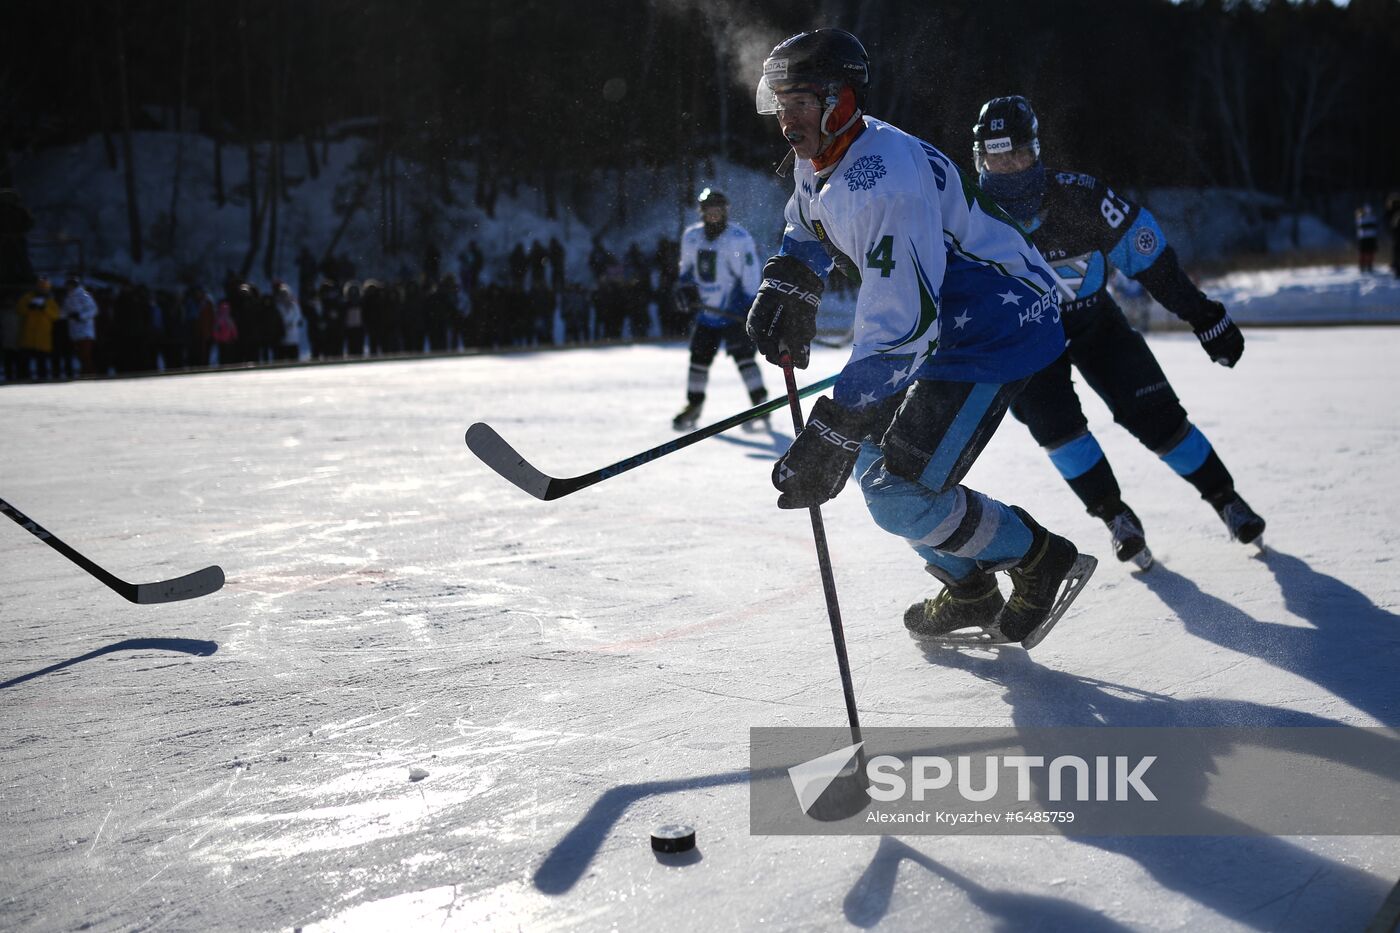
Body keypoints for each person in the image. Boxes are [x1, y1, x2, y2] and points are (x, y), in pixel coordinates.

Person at [745, 30, 1093, 645]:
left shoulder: (885, 182)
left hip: (995, 327)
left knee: (896, 495)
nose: (785, 119)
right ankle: (971, 589)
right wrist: (791, 279)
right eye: (779, 101)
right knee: (878, 463)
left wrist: (838, 422)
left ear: (840, 100)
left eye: (797, 102)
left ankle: (1043, 559)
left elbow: (902, 329)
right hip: (946, 325)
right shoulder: (824, 150)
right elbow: (806, 218)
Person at [973, 95, 1264, 569]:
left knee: (1157, 416)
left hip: (1096, 326)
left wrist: (1203, 316)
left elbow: (1150, 260)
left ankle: (1225, 499)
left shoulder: (1081, 197)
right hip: (1025, 345)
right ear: (980, 159)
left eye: (1016, 155)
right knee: (1057, 429)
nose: (1006, 168)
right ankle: (1116, 518)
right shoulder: (966, 214)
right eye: (995, 157)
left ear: (1036, 152)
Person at [672, 188, 768, 431]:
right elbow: (686, 269)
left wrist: (749, 304)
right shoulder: (691, 237)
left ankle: (761, 404)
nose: (713, 215)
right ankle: (694, 405)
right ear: (702, 212)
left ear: (725, 212)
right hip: (706, 312)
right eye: (709, 210)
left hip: (734, 309)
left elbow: (750, 274)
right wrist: (683, 288)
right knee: (698, 358)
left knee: (744, 357)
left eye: (718, 210)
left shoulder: (739, 238)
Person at [63, 275, 99, 376]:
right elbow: (64, 312)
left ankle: (90, 374)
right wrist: (68, 315)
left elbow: (93, 310)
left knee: (86, 355)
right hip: (74, 331)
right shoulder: (68, 297)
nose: (68, 287)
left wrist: (80, 316)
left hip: (85, 331)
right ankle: (84, 373)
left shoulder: (84, 296)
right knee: (80, 355)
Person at [1355, 203, 1378, 273]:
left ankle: (1368, 266)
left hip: (1368, 238)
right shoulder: (1361, 217)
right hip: (1365, 238)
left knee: (1369, 252)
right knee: (1364, 253)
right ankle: (1363, 266)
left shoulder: (1369, 217)